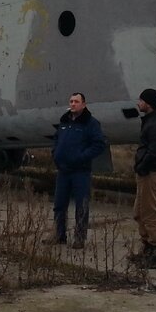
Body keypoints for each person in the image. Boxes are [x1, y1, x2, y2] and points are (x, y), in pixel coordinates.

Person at [49, 92, 107, 249]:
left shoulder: (91, 123)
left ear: (84, 104)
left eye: (76, 101)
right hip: (63, 171)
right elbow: (57, 138)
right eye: (71, 101)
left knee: (81, 205)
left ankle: (79, 238)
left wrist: (82, 157)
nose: (73, 104)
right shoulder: (65, 121)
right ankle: (58, 235)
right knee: (59, 204)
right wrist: (55, 154)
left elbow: (99, 144)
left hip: (80, 171)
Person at [131, 90, 156, 268]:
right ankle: (146, 248)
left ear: (149, 103)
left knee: (150, 212)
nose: (139, 103)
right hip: (145, 172)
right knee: (139, 212)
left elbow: (154, 152)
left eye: (141, 100)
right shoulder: (150, 121)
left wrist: (142, 166)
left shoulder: (155, 125)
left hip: (150, 173)